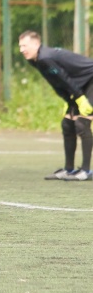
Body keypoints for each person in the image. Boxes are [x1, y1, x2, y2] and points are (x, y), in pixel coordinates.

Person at [18, 30, 93, 181]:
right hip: (80, 84)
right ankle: (69, 169)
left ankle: (86, 171)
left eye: (24, 46)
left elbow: (64, 78)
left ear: (36, 44)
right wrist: (68, 100)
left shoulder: (45, 57)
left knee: (82, 123)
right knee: (67, 124)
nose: (21, 50)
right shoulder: (35, 60)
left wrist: (79, 99)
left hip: (91, 79)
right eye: (20, 46)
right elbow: (55, 81)